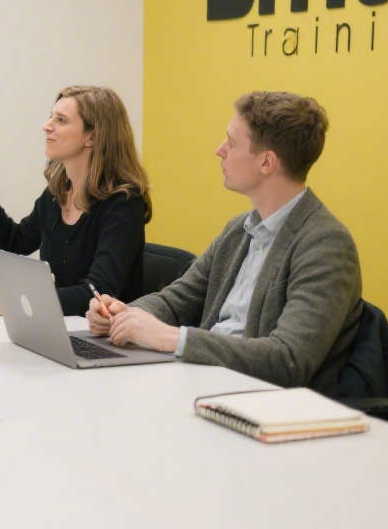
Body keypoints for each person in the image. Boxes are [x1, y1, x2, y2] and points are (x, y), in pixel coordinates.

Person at [90, 91, 362, 392]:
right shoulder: (239, 230)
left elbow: (288, 361)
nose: (219, 150)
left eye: (231, 143)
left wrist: (172, 338)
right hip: (206, 384)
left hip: (261, 402)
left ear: (267, 162)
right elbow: (176, 301)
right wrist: (124, 315)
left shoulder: (326, 244)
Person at [0, 85, 152, 316]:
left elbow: (98, 292)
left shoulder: (124, 203)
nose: (47, 125)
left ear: (92, 136)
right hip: (59, 326)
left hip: (106, 333)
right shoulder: (58, 192)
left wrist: (18, 301)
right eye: (51, 116)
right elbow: (17, 243)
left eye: (61, 120)